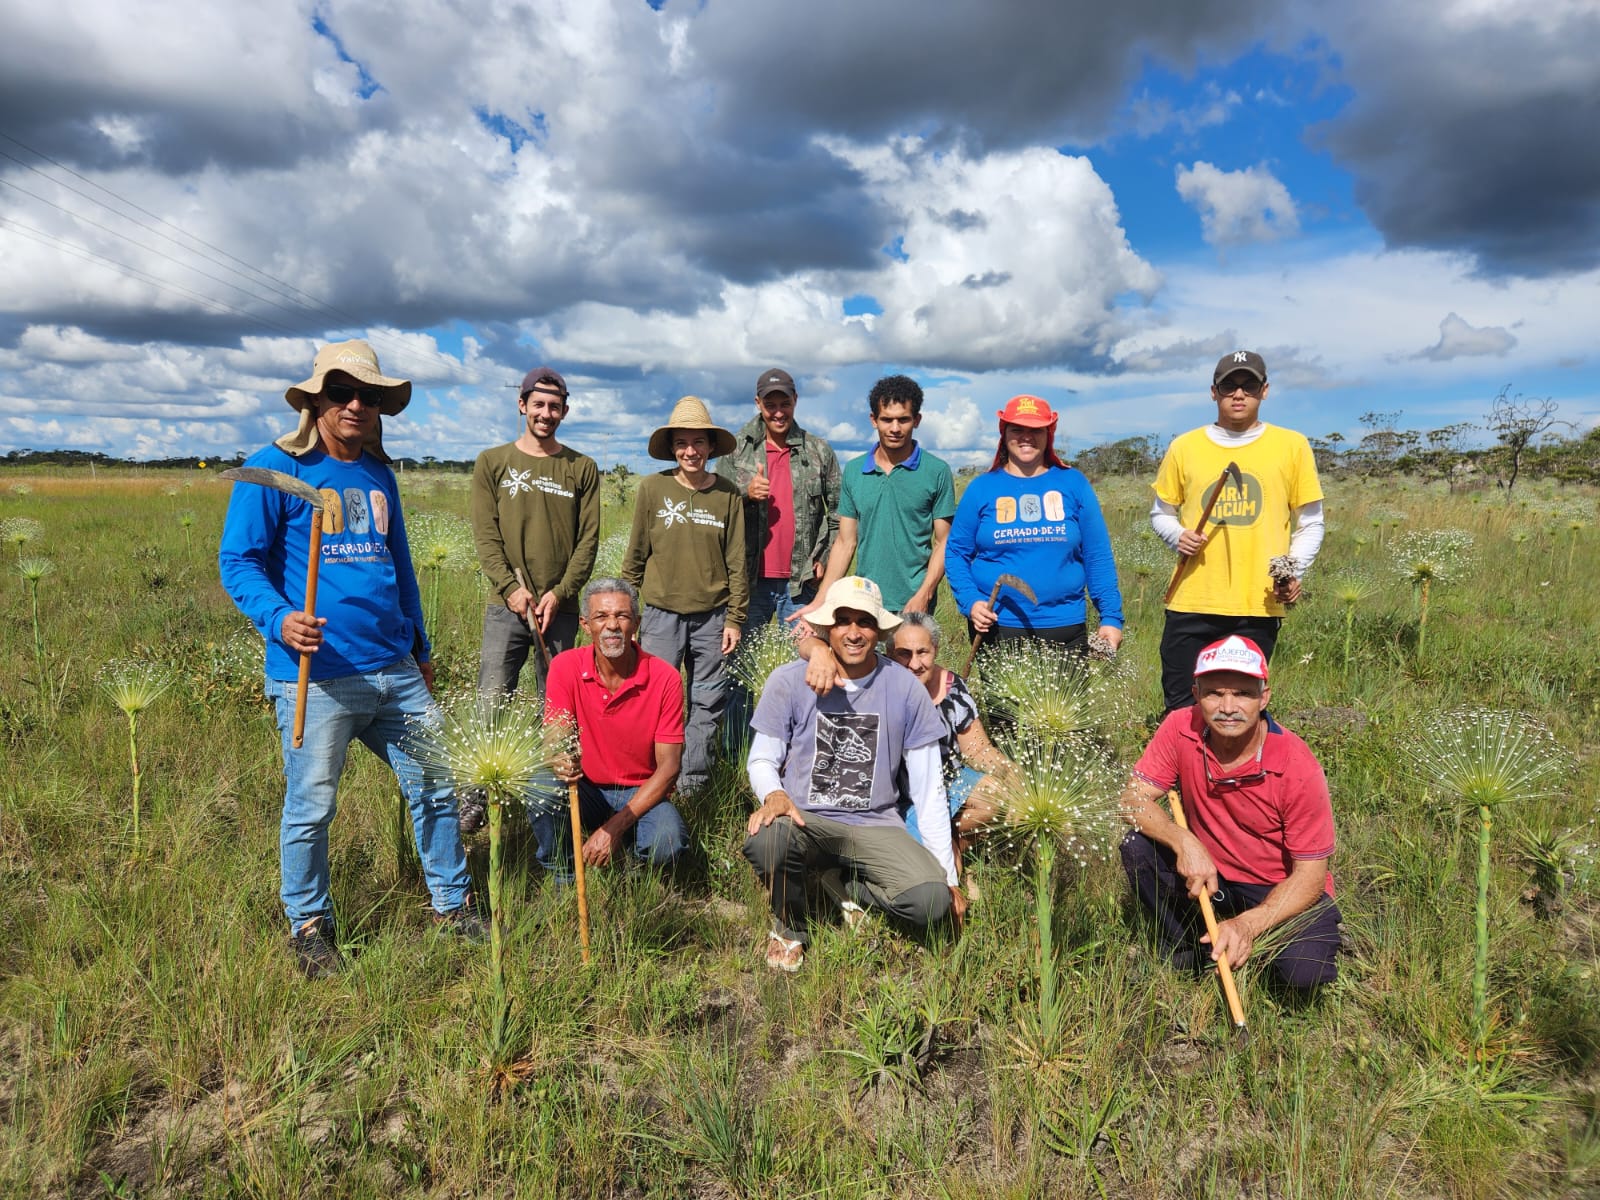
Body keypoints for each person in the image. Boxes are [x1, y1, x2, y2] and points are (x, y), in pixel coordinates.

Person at [218, 339, 479, 979]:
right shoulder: (276, 468)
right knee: (312, 804)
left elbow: (401, 567)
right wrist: (281, 619)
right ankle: (309, 924)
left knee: (437, 782)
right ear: (316, 400)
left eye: (369, 395)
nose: (356, 404)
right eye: (342, 391)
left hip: (393, 668)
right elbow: (238, 562)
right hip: (318, 676)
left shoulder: (377, 473)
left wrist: (419, 647)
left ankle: (453, 904)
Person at [743, 577, 963, 973]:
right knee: (768, 838)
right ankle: (789, 925)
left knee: (930, 902)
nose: (854, 632)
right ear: (828, 627)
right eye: (843, 620)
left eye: (865, 621)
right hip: (805, 819)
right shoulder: (790, 680)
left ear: (879, 630)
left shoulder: (904, 688)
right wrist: (773, 793)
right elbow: (761, 758)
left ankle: (847, 887)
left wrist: (949, 878)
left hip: (876, 823)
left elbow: (929, 789)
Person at [1118, 636, 1341, 991]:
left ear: (1264, 697)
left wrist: (1248, 925)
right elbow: (1132, 798)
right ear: (1195, 694)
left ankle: (1248, 939)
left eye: (1242, 694)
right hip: (1211, 874)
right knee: (1136, 845)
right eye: (1214, 693)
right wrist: (1184, 841)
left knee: (1303, 974)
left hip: (1277, 885)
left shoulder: (1297, 765)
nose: (1227, 706)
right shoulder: (1180, 727)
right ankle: (1184, 948)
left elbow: (1311, 876)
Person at [1150, 350, 1324, 711]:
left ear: (1265, 390)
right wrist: (1177, 535)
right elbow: (1161, 512)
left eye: (1249, 385)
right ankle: (1180, 768)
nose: (1239, 393)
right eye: (1229, 385)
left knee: (1240, 709)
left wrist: (1291, 570)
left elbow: (1310, 522)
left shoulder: (1292, 446)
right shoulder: (1184, 446)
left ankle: (1235, 769)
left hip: (1256, 604)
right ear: (1213, 392)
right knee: (1182, 704)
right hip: (1192, 599)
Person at [621, 396, 748, 796]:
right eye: (681, 443)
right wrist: (624, 611)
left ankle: (693, 782)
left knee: (708, 701)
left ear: (711, 448)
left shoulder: (727, 495)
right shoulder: (652, 489)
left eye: (698, 443)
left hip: (712, 617)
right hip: (660, 614)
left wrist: (735, 618)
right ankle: (650, 777)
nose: (690, 451)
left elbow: (738, 561)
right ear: (672, 447)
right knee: (654, 697)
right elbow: (636, 554)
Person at [529, 578, 688, 878]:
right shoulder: (565, 667)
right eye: (601, 616)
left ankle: (634, 872)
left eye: (622, 616)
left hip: (641, 790)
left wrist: (615, 827)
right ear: (585, 625)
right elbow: (554, 738)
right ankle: (562, 871)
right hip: (586, 786)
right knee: (541, 786)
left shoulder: (664, 677)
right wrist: (558, 758)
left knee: (667, 842)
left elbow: (669, 767)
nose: (612, 625)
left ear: (636, 624)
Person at [945, 394, 1124, 654]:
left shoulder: (1073, 484)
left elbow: (1097, 555)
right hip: (996, 627)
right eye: (1017, 429)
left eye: (1035, 429)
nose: (1026, 436)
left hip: (1065, 626)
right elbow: (956, 552)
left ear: (1048, 433)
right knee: (1000, 698)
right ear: (1004, 433)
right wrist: (971, 602)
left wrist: (1110, 616)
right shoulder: (982, 488)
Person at [470, 365, 600, 696]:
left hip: (561, 608)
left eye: (554, 407)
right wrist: (511, 589)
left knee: (559, 705)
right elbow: (486, 536)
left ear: (565, 411)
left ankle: (555, 753)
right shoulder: (492, 462)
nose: (546, 414)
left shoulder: (581, 468)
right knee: (491, 702)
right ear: (522, 405)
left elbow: (587, 541)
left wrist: (560, 593)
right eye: (538, 405)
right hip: (506, 604)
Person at [805, 374, 955, 615]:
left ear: (916, 420)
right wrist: (821, 599)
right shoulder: (854, 472)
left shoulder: (936, 471)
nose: (895, 428)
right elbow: (845, 542)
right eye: (887, 420)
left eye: (903, 420)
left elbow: (944, 541)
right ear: (874, 420)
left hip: (914, 604)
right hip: (866, 601)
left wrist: (923, 595)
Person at [716, 367, 842, 633]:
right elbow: (717, 510)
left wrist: (826, 557)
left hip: (801, 581)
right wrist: (745, 494)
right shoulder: (735, 450)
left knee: (802, 664)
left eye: (785, 404)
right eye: (770, 405)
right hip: (748, 581)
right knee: (742, 664)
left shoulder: (818, 450)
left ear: (795, 399)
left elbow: (838, 513)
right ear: (757, 403)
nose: (778, 412)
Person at [887, 612, 1015, 857]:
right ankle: (941, 851)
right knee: (937, 878)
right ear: (889, 653)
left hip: (948, 781)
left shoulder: (953, 688)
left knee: (998, 796)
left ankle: (954, 844)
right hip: (900, 797)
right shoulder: (878, 686)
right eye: (904, 653)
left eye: (922, 652)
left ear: (935, 650)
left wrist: (1012, 774)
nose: (914, 664)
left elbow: (978, 749)